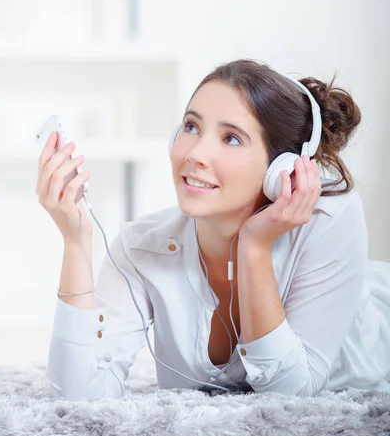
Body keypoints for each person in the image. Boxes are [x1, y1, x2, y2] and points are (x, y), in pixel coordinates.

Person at [36, 59, 390, 401]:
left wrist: (253, 248)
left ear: (282, 167)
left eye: (231, 138)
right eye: (191, 126)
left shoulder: (330, 219)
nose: (196, 154)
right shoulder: (141, 248)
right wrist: (76, 241)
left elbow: (292, 392)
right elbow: (79, 395)